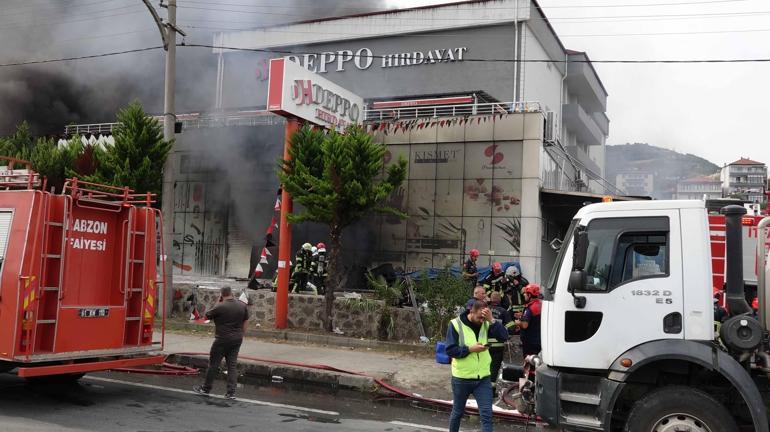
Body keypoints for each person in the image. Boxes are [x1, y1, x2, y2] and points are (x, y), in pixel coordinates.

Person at [446, 300, 508, 432]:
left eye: (484, 317)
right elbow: (450, 350)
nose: (482, 320)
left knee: (487, 415)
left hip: (483, 379)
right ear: (471, 311)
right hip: (462, 378)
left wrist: (491, 320)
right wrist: (470, 349)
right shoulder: (455, 324)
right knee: (457, 413)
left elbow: (504, 336)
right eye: (479, 317)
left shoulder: (486, 322)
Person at [193, 286, 250, 399]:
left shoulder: (220, 306)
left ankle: (206, 388)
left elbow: (205, 317)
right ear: (231, 293)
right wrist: (241, 334)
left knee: (213, 364)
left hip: (222, 339)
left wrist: (218, 302)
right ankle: (231, 392)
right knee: (232, 366)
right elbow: (246, 321)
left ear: (221, 294)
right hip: (237, 339)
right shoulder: (242, 306)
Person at [488, 292, 514, 393]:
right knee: (494, 369)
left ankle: (480, 389)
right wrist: (502, 330)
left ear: (490, 299)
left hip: (484, 345)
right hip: (497, 346)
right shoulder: (503, 311)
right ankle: (491, 391)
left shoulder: (485, 310)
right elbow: (511, 328)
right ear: (500, 300)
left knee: (483, 367)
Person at [515, 284, 542, 357]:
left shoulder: (530, 308)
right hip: (539, 339)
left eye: (525, 293)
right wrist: (522, 316)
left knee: (529, 362)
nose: (524, 295)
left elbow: (525, 325)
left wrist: (518, 323)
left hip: (530, 342)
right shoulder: (540, 304)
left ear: (529, 295)